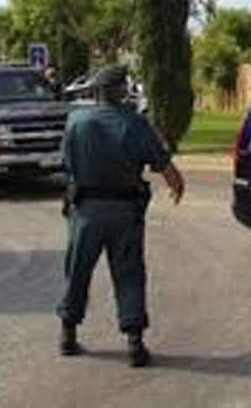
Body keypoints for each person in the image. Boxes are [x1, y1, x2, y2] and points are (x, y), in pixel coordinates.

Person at [55, 64, 185, 367]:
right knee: (129, 274)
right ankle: (135, 344)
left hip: (85, 211)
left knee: (77, 271)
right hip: (125, 212)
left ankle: (67, 334)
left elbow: (66, 164)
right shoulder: (136, 123)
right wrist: (177, 188)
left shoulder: (76, 121)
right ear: (122, 91)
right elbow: (167, 169)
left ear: (96, 92)